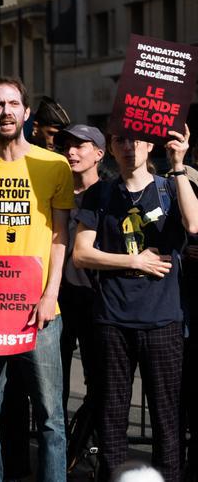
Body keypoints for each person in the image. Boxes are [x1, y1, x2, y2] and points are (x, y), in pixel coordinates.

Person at [0, 76, 74, 482]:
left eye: (12, 104)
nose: (5, 111)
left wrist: (51, 293)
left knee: (51, 417)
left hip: (40, 312)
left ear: (26, 113)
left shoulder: (53, 165)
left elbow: (60, 236)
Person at [72, 128, 198, 482]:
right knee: (112, 417)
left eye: (137, 140)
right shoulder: (101, 193)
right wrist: (134, 261)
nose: (130, 147)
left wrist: (178, 164)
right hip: (113, 320)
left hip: (163, 320)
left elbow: (194, 224)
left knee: (167, 419)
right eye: (121, 140)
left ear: (150, 144)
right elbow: (81, 254)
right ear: (110, 148)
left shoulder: (170, 187)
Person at [54, 126, 105, 431]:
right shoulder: (55, 192)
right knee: (53, 385)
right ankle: (60, 450)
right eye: (67, 146)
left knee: (100, 383)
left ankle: (86, 444)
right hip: (55, 298)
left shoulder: (110, 195)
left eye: (79, 145)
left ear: (99, 154)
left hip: (96, 298)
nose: (71, 152)